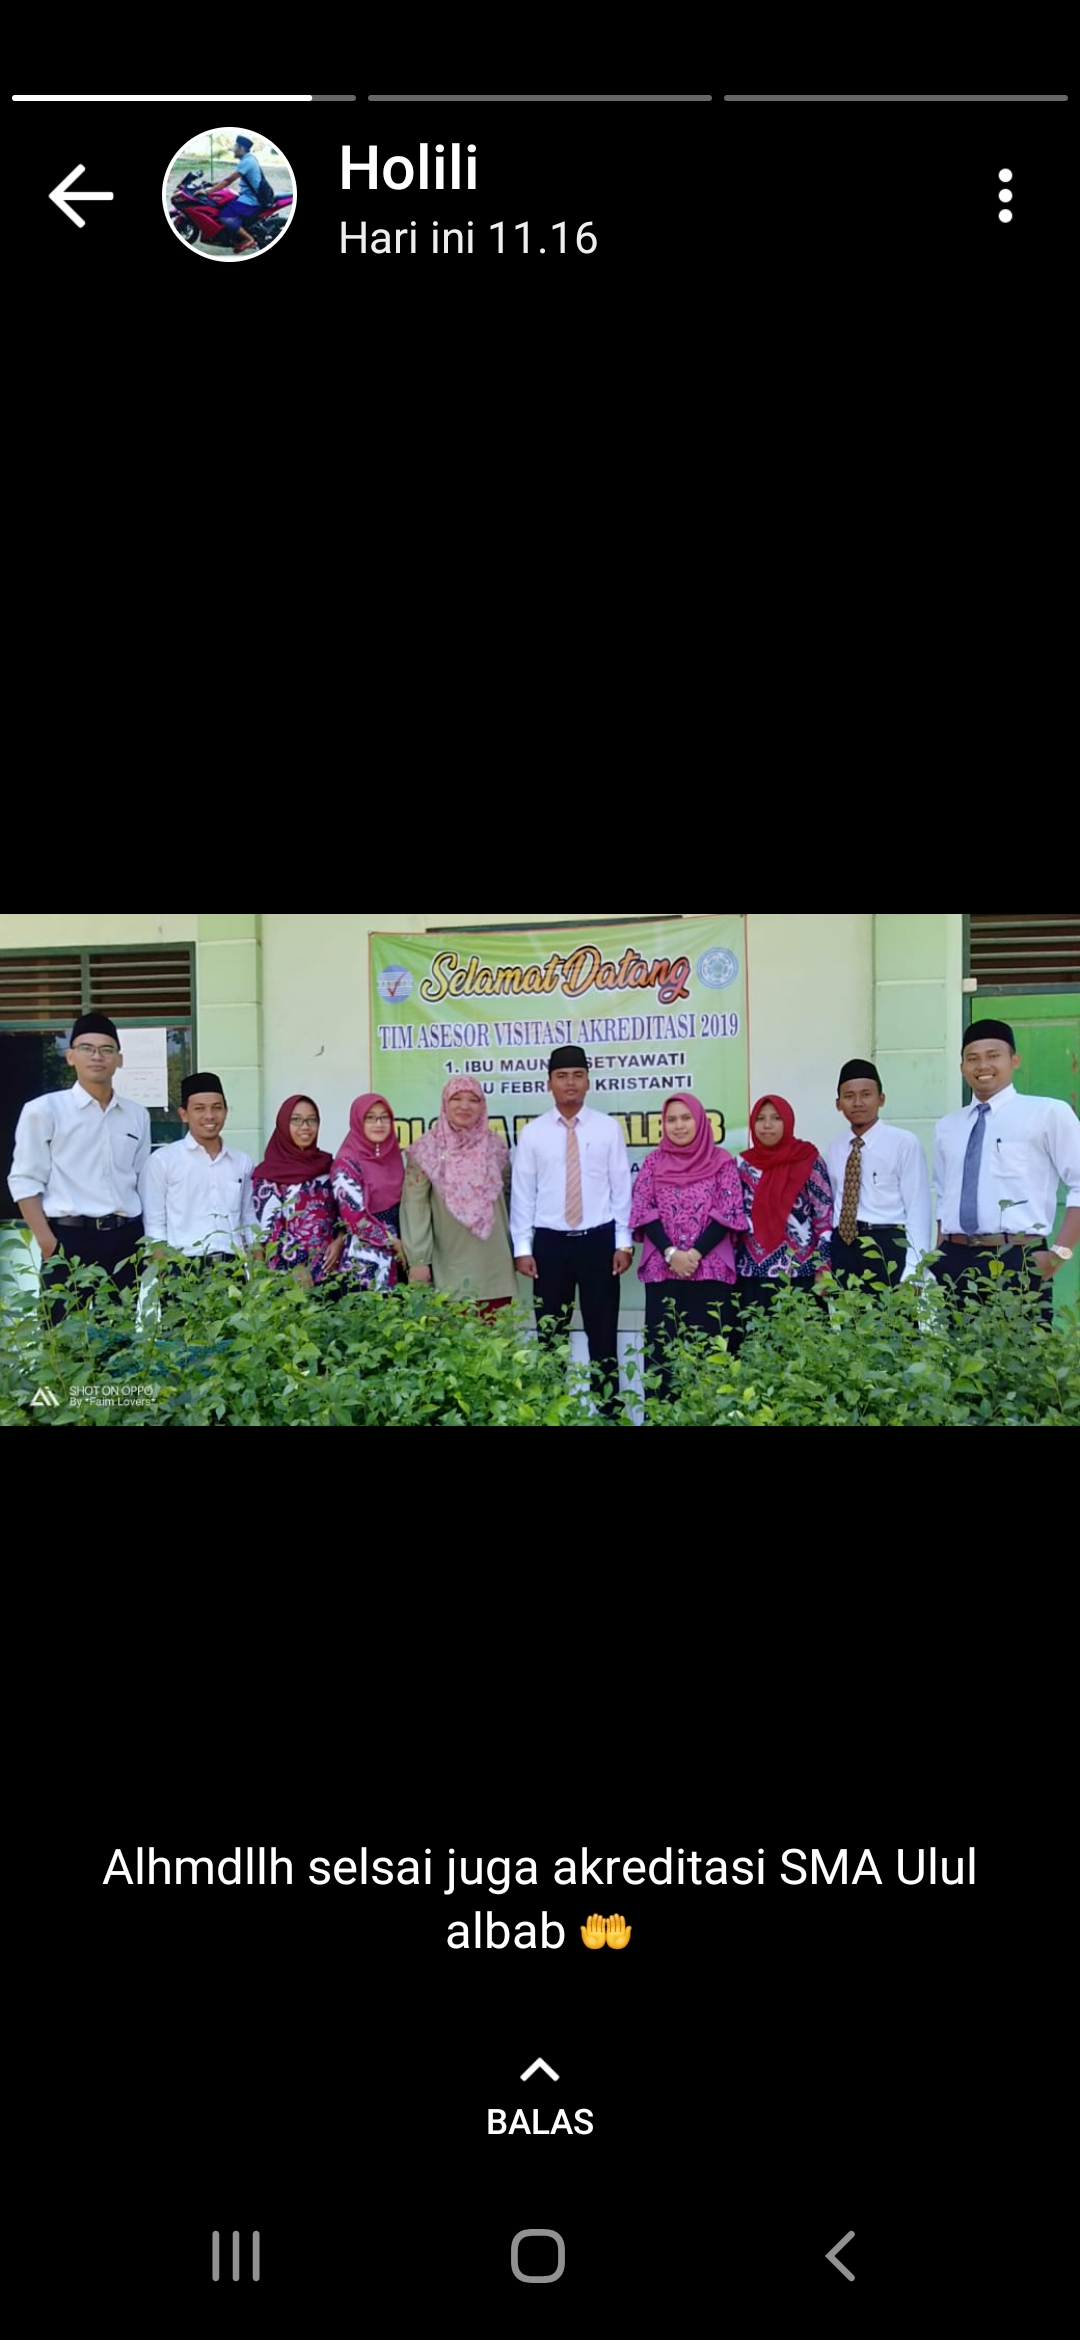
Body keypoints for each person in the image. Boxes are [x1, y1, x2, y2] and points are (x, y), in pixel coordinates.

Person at [511, 1046, 635, 1415]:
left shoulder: (607, 1128)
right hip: (550, 1245)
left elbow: (620, 1189)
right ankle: (552, 1411)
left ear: (588, 1081)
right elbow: (523, 1193)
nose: (570, 1083)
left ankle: (610, 1414)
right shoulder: (533, 1133)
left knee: (603, 1334)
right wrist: (523, 1247)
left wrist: (623, 1242)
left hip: (599, 1242)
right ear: (549, 1083)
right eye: (562, 1076)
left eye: (578, 1075)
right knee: (551, 1334)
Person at [934, 1019, 1080, 1323]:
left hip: (1018, 1258)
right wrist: (938, 1255)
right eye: (972, 1058)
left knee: (1022, 1350)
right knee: (959, 1349)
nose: (983, 1066)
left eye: (993, 1055)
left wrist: (1059, 1254)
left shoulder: (1047, 1113)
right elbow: (944, 1194)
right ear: (962, 1067)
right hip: (955, 1260)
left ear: (1015, 1060)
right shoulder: (948, 1126)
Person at [8, 1013, 150, 1325]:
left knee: (120, 1336)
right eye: (87, 1048)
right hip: (69, 1239)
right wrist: (48, 1243)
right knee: (65, 1336)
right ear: (71, 1056)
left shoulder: (136, 1115)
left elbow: (142, 1180)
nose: (97, 1056)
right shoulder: (44, 1110)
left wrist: (146, 1240)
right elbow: (24, 1180)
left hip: (125, 1240)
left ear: (120, 1059)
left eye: (107, 1049)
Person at [630, 1095, 748, 1397]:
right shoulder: (653, 1162)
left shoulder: (721, 1161)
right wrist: (672, 1254)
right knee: (663, 1355)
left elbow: (729, 1211)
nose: (679, 1125)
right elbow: (643, 1209)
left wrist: (693, 1255)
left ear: (700, 1121)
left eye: (686, 1118)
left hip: (710, 1272)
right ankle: (662, 1415)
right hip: (664, 1271)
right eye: (671, 1120)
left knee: (711, 1355)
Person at [401, 1076, 515, 1318]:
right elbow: (415, 1207)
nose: (465, 1106)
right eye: (456, 1098)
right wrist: (419, 1259)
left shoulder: (496, 1148)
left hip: (495, 1266)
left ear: (482, 1106)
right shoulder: (425, 1150)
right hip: (449, 1267)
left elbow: (507, 1200)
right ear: (445, 1103)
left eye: (473, 1100)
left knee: (498, 1337)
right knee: (453, 1337)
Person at [826, 1059, 933, 1290]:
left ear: (881, 1099)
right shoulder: (835, 1148)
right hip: (844, 1247)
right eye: (849, 1096)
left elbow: (918, 1209)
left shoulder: (904, 1143)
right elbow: (834, 1202)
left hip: (888, 1245)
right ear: (838, 1104)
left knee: (891, 1312)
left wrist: (914, 1270)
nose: (857, 1103)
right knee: (847, 1312)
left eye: (866, 1094)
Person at [736, 1096, 833, 1333]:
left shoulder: (808, 1159)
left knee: (804, 1346)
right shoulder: (741, 1164)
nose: (767, 1125)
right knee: (755, 1345)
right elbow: (733, 1218)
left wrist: (824, 1268)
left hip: (801, 1274)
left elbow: (824, 1219)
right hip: (751, 1274)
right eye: (760, 1119)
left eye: (776, 1118)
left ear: (788, 1121)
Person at [141, 1074, 257, 1270]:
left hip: (233, 1268)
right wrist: (163, 1275)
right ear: (184, 1114)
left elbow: (249, 1219)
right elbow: (154, 1226)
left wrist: (258, 1267)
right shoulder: (163, 1161)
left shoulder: (242, 1162)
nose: (209, 1116)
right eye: (199, 1108)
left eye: (216, 1108)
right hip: (182, 1269)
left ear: (226, 1111)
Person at [252, 1097, 345, 1288]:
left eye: (312, 1120)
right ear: (283, 1124)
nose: (305, 1127)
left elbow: (342, 1214)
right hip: (287, 1277)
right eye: (296, 1120)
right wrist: (297, 1264)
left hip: (330, 1273)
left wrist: (340, 1240)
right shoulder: (268, 1174)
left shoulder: (328, 1167)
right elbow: (271, 1230)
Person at [329, 1098, 402, 1293]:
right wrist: (391, 1241)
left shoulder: (394, 1157)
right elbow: (355, 1219)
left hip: (398, 1260)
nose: (379, 1124)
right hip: (364, 1264)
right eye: (370, 1118)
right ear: (358, 1122)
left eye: (384, 1117)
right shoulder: (346, 1163)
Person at [210, 135, 264, 254]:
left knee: (225, 215)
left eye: (235, 146)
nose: (233, 149)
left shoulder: (247, 161)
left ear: (242, 148)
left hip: (251, 200)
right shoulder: (249, 158)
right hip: (250, 196)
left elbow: (229, 180)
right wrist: (216, 183)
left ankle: (249, 239)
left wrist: (207, 191)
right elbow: (231, 178)